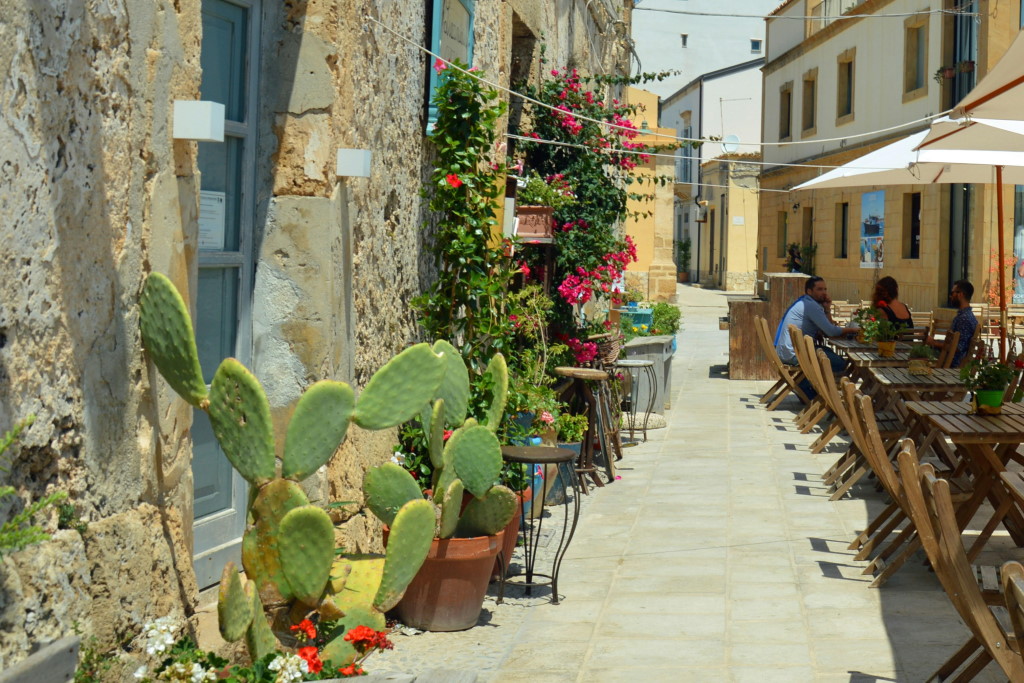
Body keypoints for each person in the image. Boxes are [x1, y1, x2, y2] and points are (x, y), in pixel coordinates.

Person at [774, 276, 858, 399]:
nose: (824, 292)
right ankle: (806, 386)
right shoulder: (811, 306)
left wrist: (827, 309)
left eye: (825, 289)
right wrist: (854, 330)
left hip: (789, 351)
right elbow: (831, 331)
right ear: (809, 291)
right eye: (819, 289)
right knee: (839, 363)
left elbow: (829, 327)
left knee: (830, 354)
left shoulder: (806, 302)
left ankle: (808, 388)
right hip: (793, 354)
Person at [926, 280, 977, 368]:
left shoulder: (964, 319)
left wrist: (933, 343)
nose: (950, 296)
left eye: (952, 293)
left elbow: (957, 347)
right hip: (949, 362)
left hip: (951, 365)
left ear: (960, 294)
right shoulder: (966, 316)